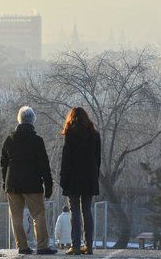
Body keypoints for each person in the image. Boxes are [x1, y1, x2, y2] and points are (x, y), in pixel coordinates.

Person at [1, 106, 57, 255]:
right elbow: (44, 165)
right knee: (38, 214)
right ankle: (42, 246)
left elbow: (3, 163)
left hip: (12, 183)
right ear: (33, 121)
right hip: (32, 183)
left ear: (19, 120)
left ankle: (22, 247)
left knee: (16, 217)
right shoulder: (37, 140)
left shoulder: (9, 139)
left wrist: (4, 182)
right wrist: (49, 184)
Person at [60, 107, 101, 255]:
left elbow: (66, 159)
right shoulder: (95, 135)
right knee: (87, 211)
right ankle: (89, 245)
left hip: (73, 179)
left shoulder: (70, 134)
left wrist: (63, 179)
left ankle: (75, 245)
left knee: (75, 212)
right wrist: (94, 176)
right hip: (89, 178)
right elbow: (98, 159)